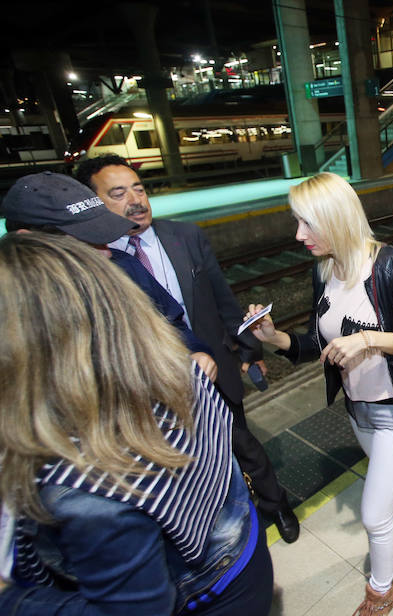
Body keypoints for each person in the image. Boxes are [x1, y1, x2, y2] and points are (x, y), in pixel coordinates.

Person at [0, 232, 273, 615]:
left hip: (204, 594)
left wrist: (10, 599)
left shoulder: (83, 485)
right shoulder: (182, 369)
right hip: (241, 550)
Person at [75, 155, 299, 543]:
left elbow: (222, 299)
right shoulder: (96, 260)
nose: (136, 200)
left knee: (241, 442)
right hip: (153, 390)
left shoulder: (186, 236)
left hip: (215, 372)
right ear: (94, 203)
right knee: (185, 464)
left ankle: (275, 504)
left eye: (139, 188)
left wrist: (248, 351)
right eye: (118, 193)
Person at [246, 172, 393, 616]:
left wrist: (369, 340)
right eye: (297, 223)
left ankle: (381, 591)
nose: (299, 235)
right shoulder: (325, 271)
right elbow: (319, 345)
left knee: (374, 515)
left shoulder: (392, 265)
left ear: (335, 218)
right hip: (358, 408)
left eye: (307, 223)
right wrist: (275, 339)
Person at [0, 171, 215, 370]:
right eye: (87, 241)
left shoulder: (126, 267)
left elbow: (173, 324)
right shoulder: (12, 321)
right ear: (29, 241)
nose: (107, 254)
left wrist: (194, 352)